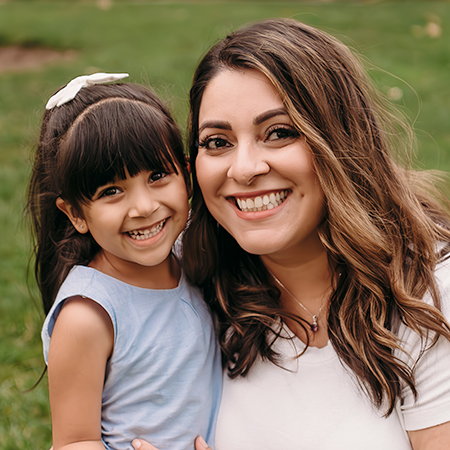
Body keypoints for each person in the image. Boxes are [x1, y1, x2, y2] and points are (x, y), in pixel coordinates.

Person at [134, 18, 450, 450]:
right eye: (217, 142)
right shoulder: (176, 274)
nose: (244, 169)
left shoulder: (430, 292)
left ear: (341, 142)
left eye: (279, 133)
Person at [27, 73, 221, 450]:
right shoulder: (88, 315)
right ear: (76, 214)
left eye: (158, 176)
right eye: (111, 191)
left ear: (186, 173)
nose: (145, 207)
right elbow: (74, 442)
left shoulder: (191, 256)